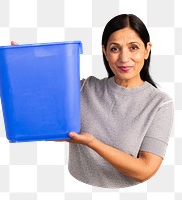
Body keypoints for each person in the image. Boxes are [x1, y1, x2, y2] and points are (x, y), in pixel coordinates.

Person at [11, 14, 174, 188]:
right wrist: (25, 61)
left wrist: (92, 143)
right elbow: (43, 102)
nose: (124, 58)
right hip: (74, 188)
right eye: (114, 49)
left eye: (133, 47)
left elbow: (145, 171)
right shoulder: (84, 88)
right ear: (104, 51)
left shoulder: (160, 104)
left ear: (147, 50)